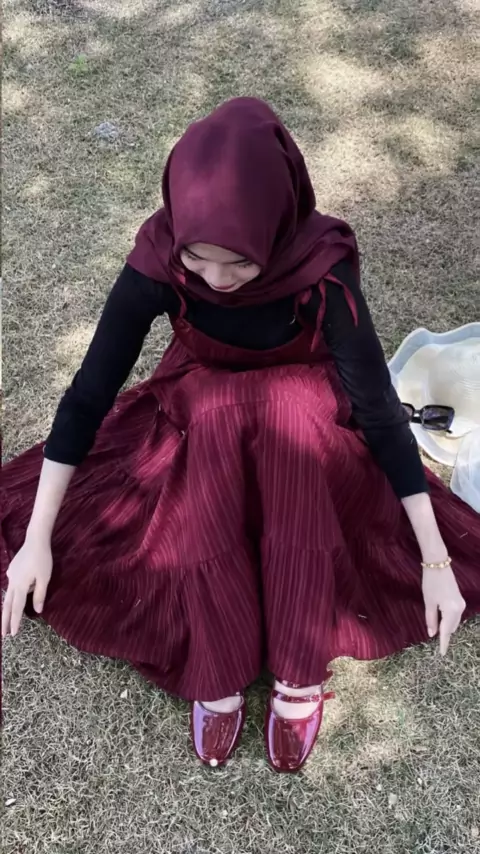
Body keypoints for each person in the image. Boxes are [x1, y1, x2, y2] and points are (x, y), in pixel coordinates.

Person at [2, 98, 479, 773]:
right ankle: (218, 662)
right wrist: (37, 538)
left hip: (306, 420)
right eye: (200, 259)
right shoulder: (161, 258)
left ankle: (299, 671)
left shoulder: (319, 266)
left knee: (288, 421)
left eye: (241, 264)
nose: (219, 281)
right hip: (203, 407)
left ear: (275, 228)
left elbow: (376, 409)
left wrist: (434, 560)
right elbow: (88, 397)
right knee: (214, 423)